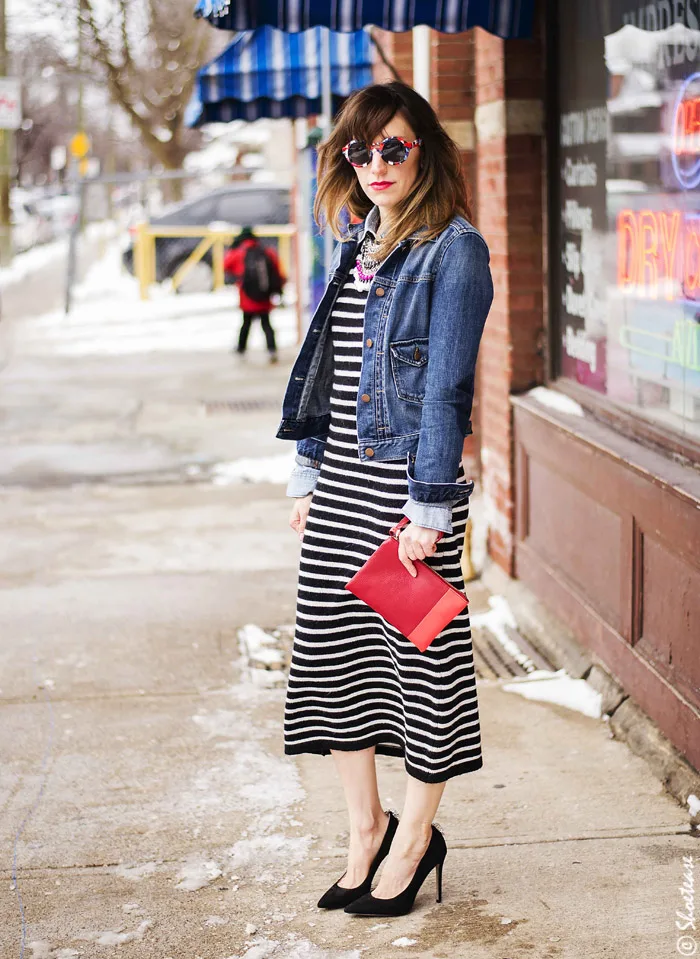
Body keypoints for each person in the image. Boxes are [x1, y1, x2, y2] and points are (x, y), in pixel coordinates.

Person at [275, 81, 493, 917]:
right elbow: (329, 362)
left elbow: (444, 392)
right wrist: (308, 469)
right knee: (331, 663)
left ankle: (415, 842)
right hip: (342, 483)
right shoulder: (359, 240)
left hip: (410, 491)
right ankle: (365, 828)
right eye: (360, 152)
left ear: (427, 150)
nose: (375, 164)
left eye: (393, 148)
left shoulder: (455, 250)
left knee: (423, 670)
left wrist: (430, 510)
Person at [223, 226, 285, 363]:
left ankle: (241, 349)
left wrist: (233, 248)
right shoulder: (267, 252)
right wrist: (278, 290)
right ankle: (271, 350)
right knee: (266, 324)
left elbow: (226, 264)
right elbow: (278, 272)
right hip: (264, 297)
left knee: (246, 323)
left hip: (247, 297)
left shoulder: (239, 253)